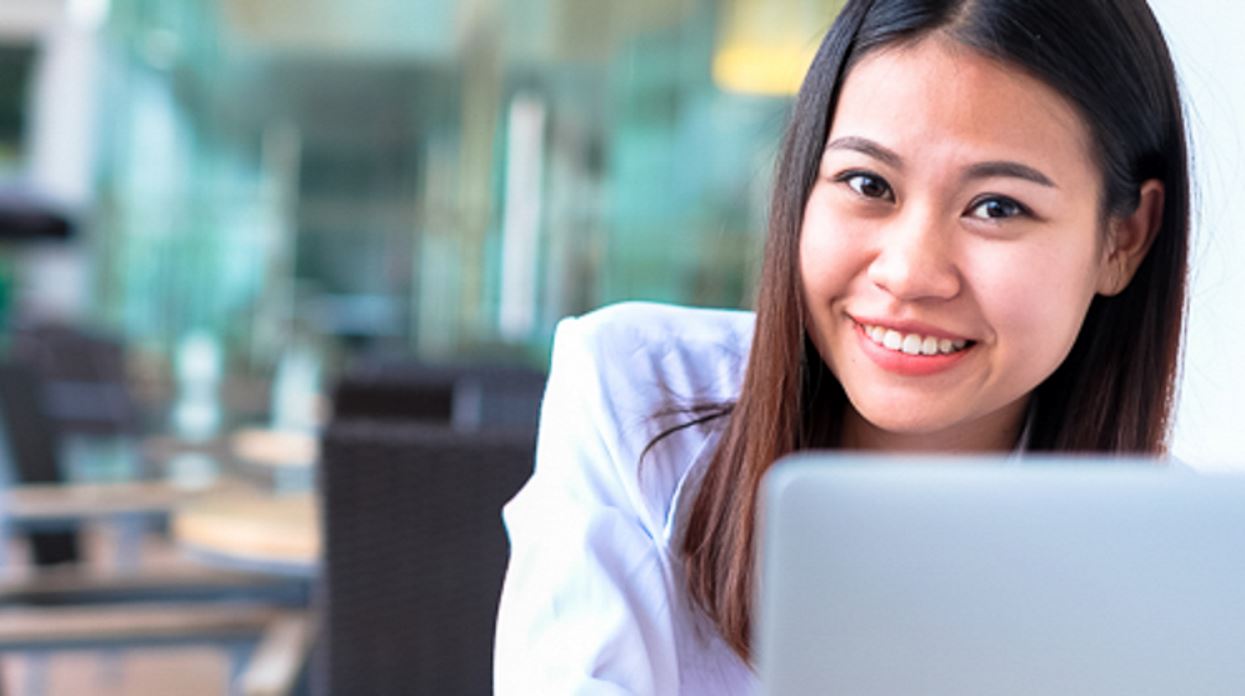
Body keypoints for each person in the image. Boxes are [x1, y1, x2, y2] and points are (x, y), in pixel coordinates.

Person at [494, 0, 1190, 693]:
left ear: (1121, 239)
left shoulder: (1185, 562)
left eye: (997, 207)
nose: (910, 273)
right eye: (868, 184)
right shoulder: (642, 404)